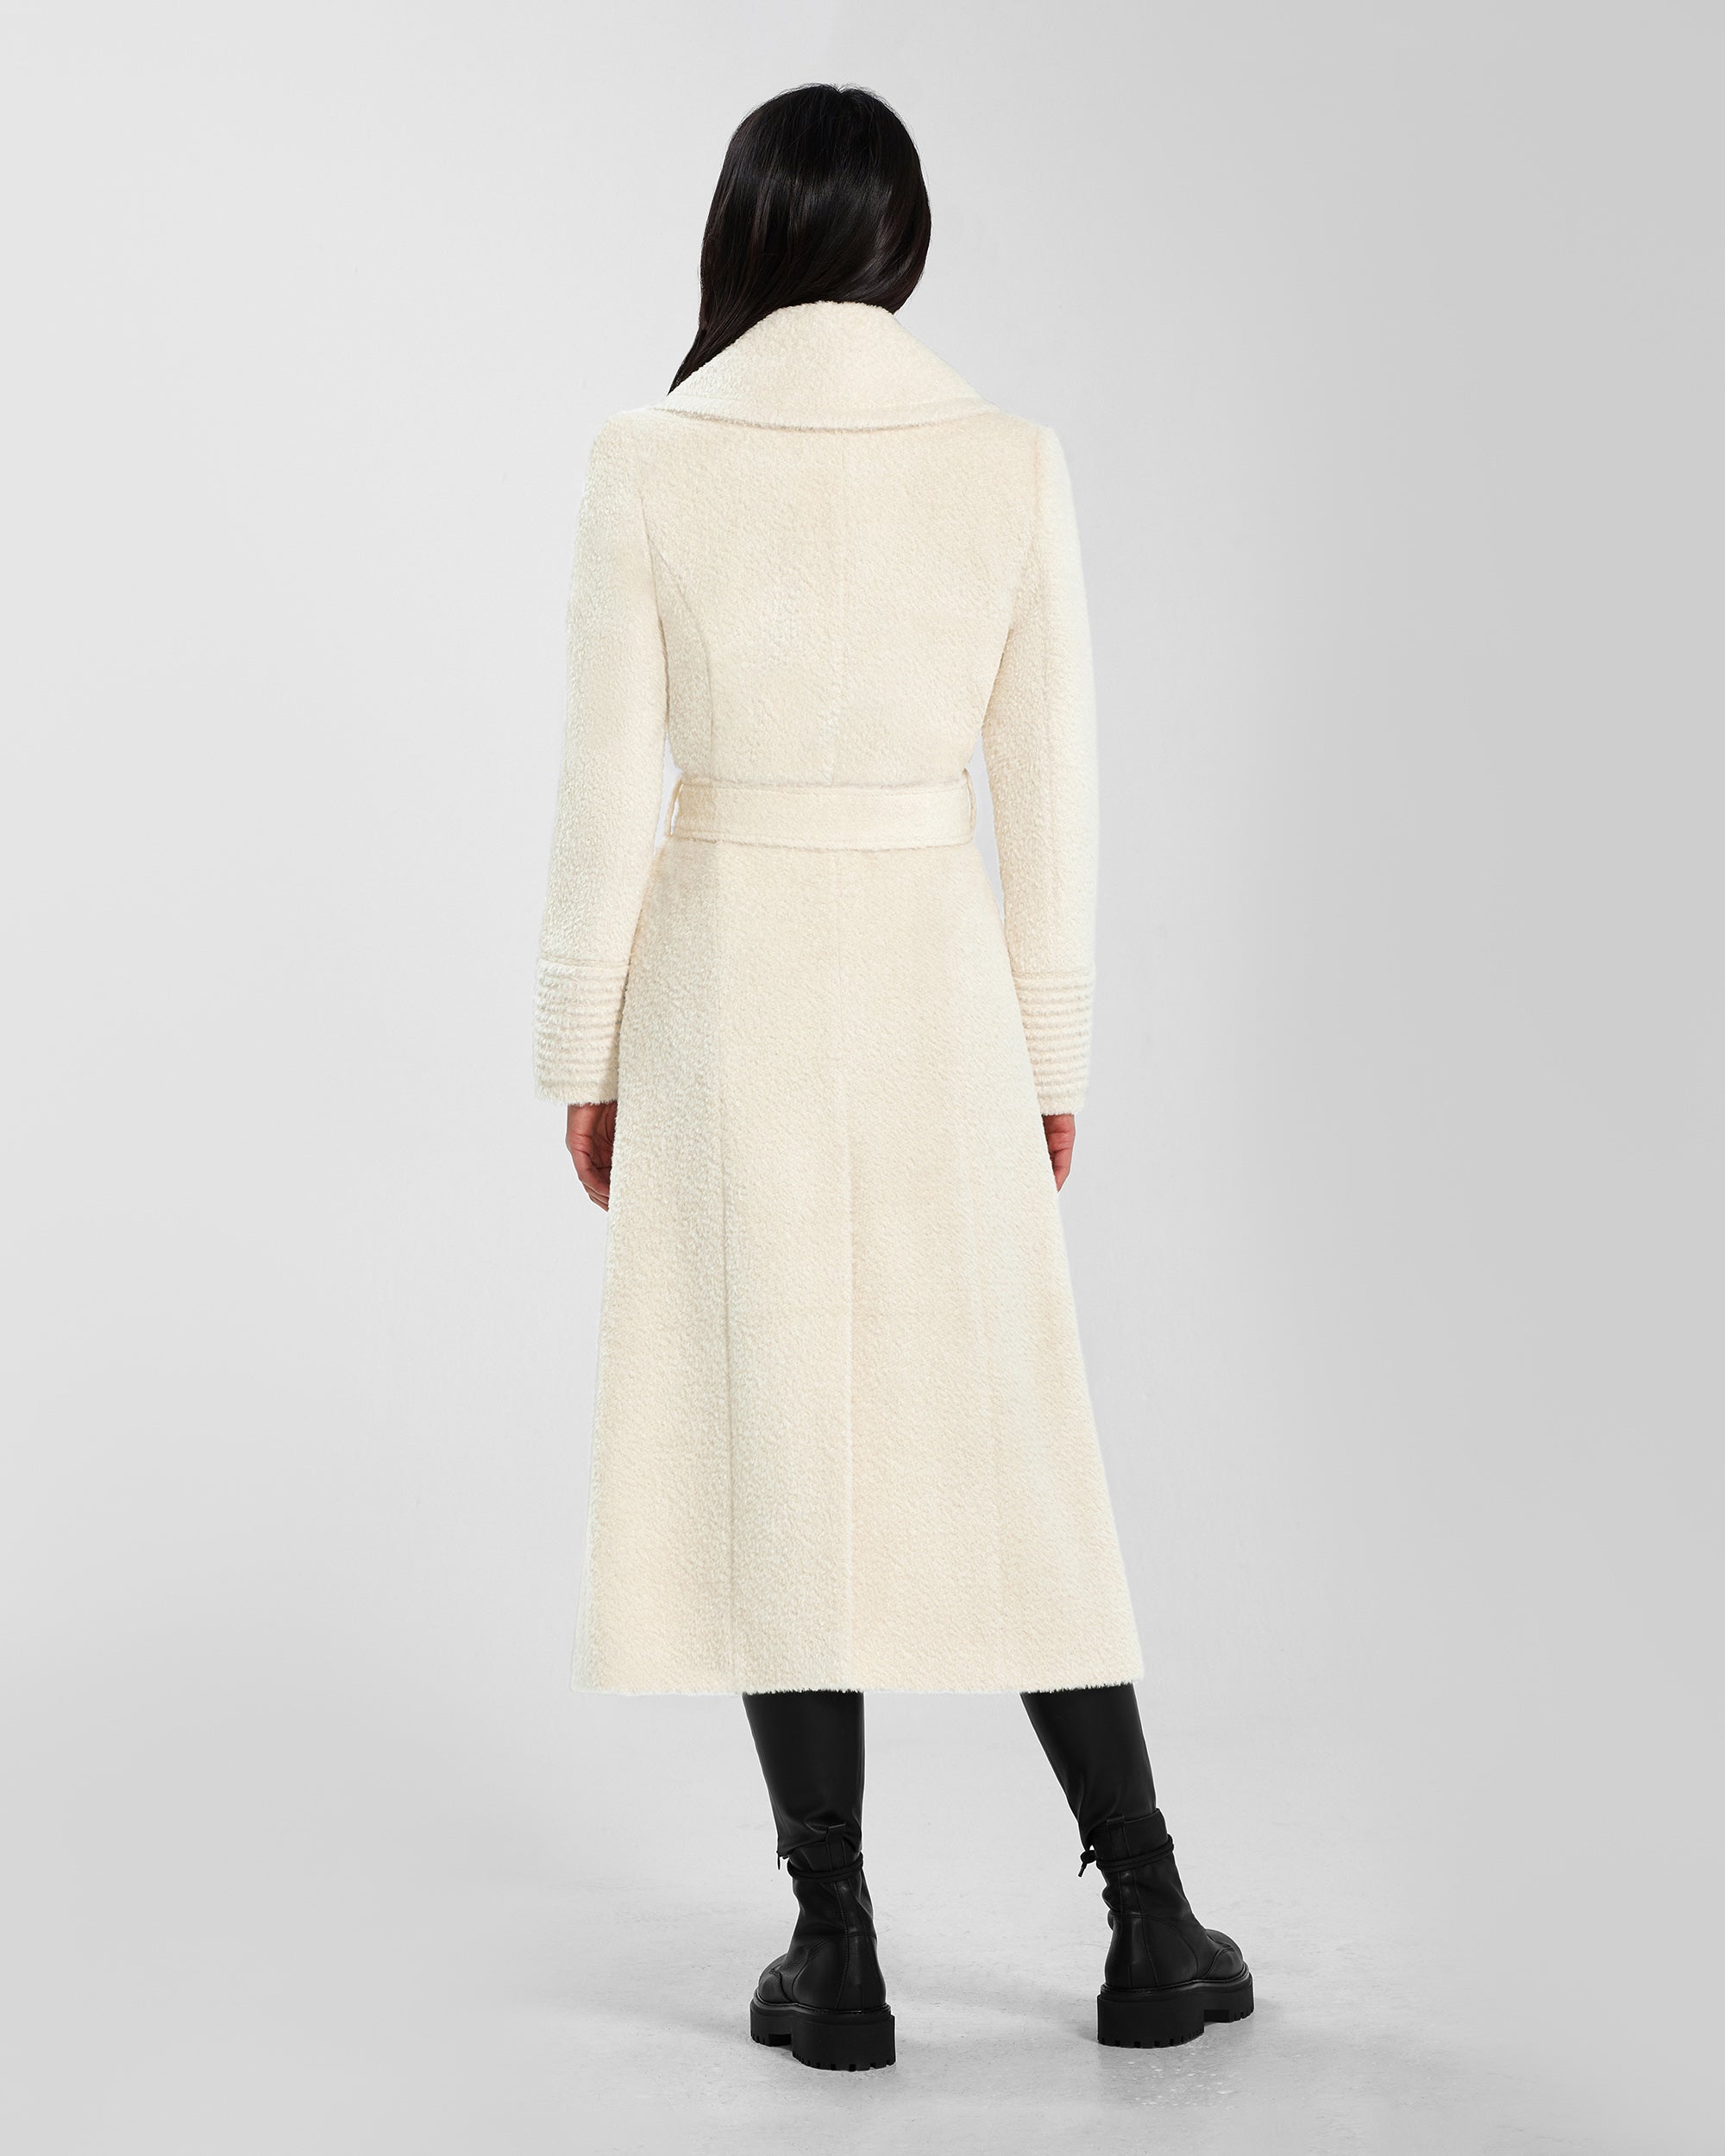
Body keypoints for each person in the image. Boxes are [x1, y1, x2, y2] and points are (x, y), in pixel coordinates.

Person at [534, 82, 1250, 2071]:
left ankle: (833, 1945)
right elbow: (1051, 791)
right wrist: (1049, 1049)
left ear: (744, 230)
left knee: (781, 1441)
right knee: (1016, 1444)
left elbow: (601, 787)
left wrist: (586, 1046)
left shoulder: (650, 454)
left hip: (727, 981)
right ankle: (1150, 1917)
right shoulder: (1005, 459)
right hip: (936, 983)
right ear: (899, 242)